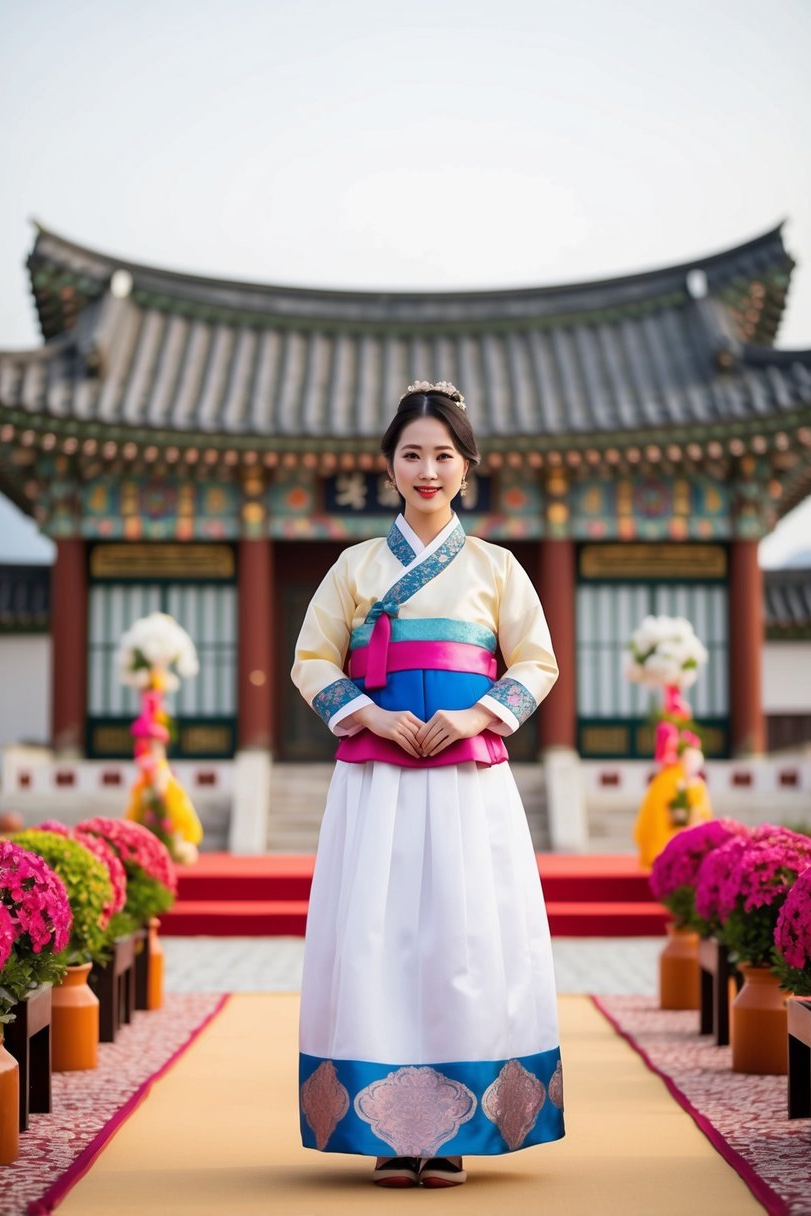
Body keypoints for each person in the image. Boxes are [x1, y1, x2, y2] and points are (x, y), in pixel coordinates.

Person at [291, 381, 565, 1189]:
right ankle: (387, 1123)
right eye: (411, 454)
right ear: (388, 467)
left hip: (465, 781)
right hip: (377, 779)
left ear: (466, 468)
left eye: (442, 454)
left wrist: (479, 713)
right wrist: (369, 716)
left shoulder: (496, 567)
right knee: (374, 938)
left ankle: (455, 1128)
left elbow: (535, 662)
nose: (427, 469)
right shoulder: (354, 567)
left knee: (464, 937)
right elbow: (311, 659)